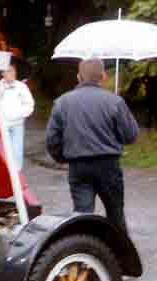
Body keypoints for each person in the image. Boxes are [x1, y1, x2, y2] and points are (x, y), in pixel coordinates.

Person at [46, 58, 139, 234]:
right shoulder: (114, 102)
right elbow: (131, 135)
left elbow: (52, 140)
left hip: (78, 166)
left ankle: (85, 254)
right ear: (103, 76)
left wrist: (63, 157)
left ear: (78, 77)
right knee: (115, 214)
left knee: (82, 217)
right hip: (108, 165)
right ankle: (122, 257)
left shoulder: (62, 103)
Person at [0, 63, 34, 171]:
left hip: (17, 123)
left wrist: (20, 115)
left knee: (17, 149)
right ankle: (5, 171)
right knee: (3, 149)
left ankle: (17, 172)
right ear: (2, 73)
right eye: (8, 71)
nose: (11, 73)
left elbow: (29, 104)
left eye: (13, 71)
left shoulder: (21, 87)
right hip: (2, 124)